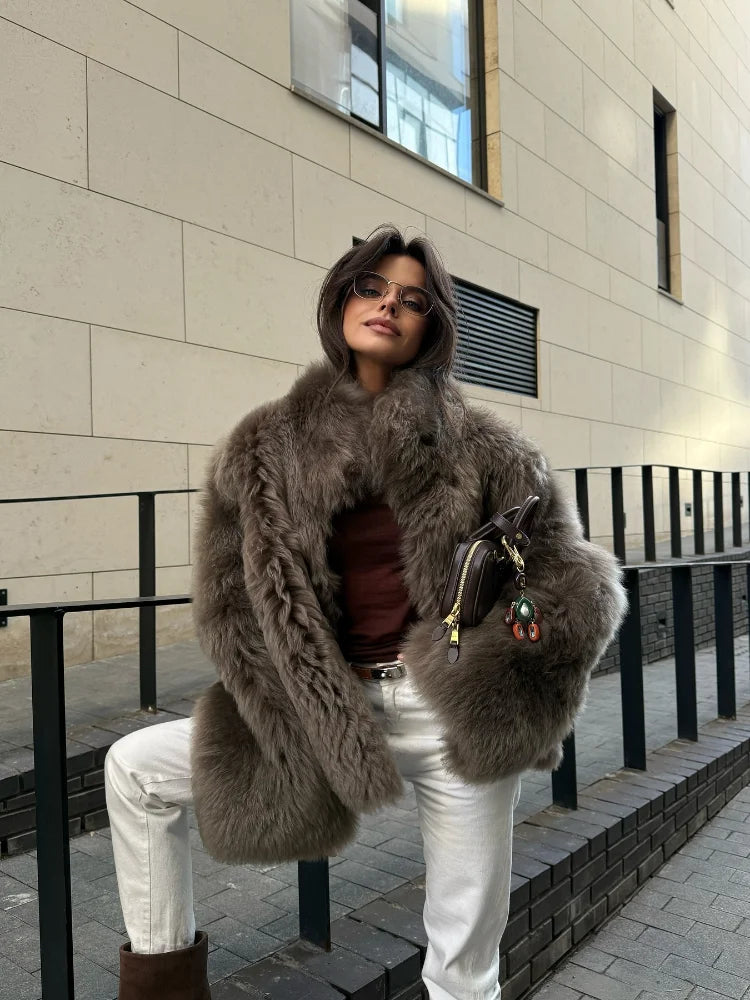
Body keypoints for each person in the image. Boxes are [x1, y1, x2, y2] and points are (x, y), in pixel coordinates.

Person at [104, 225, 626, 1000]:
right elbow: (228, 604)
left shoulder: (487, 448)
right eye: (371, 287)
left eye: (412, 299)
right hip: (325, 707)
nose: (388, 306)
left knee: (464, 962)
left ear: (431, 326)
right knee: (135, 770)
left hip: (452, 711)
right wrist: (285, 703)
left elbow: (572, 584)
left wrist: (505, 688)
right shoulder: (262, 448)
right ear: (341, 300)